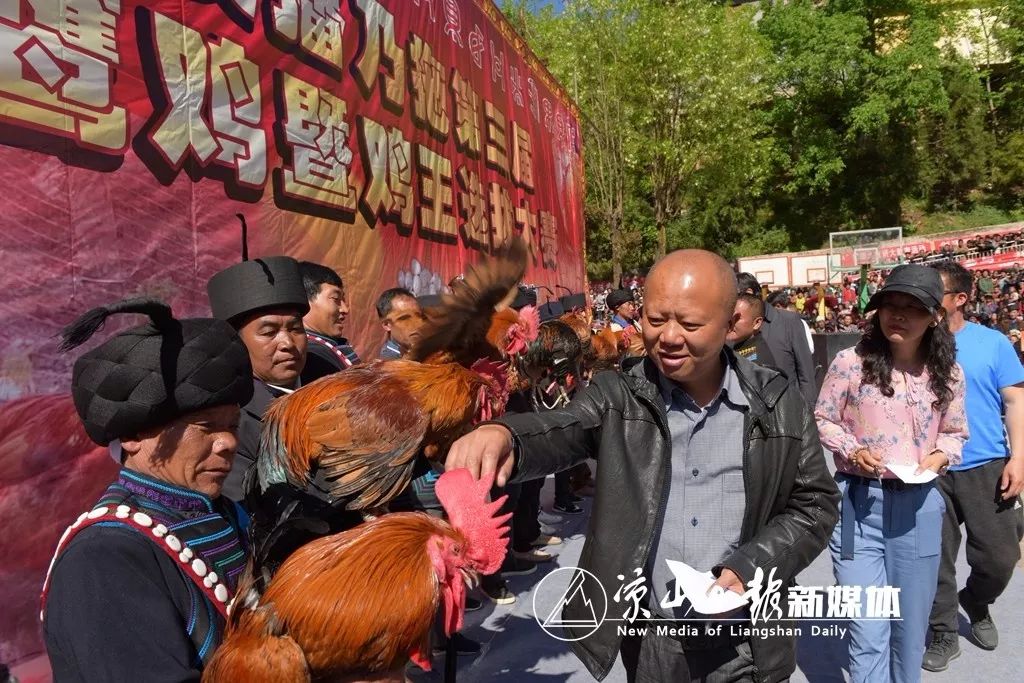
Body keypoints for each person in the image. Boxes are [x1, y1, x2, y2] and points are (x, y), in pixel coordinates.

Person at [447, 250, 839, 683]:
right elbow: (564, 426)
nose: (668, 337)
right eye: (655, 320)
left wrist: (752, 567)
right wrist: (508, 436)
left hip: (746, 638)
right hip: (654, 636)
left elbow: (815, 505)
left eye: (689, 324)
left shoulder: (777, 403)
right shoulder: (617, 396)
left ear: (731, 324)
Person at [43, 298, 253, 681]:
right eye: (207, 427)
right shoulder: (104, 558)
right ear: (134, 436)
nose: (227, 442)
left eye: (233, 425)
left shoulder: (224, 513)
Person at [815, 264, 968, 683]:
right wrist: (852, 449)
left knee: (909, 628)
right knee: (867, 627)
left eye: (912, 307)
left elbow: (956, 434)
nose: (897, 315)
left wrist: (937, 459)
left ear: (934, 315)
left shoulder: (948, 374)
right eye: (890, 305)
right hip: (856, 510)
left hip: (919, 510)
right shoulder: (850, 362)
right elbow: (824, 418)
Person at [921, 261, 1024, 671]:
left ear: (960, 299)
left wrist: (1018, 457)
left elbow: (1015, 401)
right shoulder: (912, 341)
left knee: (999, 557)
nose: (923, 300)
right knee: (934, 557)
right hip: (930, 469)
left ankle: (977, 602)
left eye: (934, 293)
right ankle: (944, 631)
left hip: (987, 465)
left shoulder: (993, 343)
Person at [207, 255, 309, 502]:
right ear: (238, 343)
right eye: (269, 332)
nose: (287, 343)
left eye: (295, 329)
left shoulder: (330, 389)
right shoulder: (232, 420)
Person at [737, 273, 818, 405]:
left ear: (748, 293)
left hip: (788, 410)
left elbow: (806, 374)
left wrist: (808, 412)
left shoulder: (789, 322)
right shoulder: (731, 328)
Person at [298, 260, 360, 382]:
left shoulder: (329, 347)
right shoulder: (312, 356)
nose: (345, 309)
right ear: (304, 301)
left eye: (344, 300)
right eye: (336, 299)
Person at [727, 293, 777, 368]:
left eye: (737, 318)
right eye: (728, 315)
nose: (730, 321)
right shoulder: (734, 347)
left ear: (757, 323)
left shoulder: (756, 365)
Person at [375, 287, 425, 359]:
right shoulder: (390, 365)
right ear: (386, 325)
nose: (417, 323)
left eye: (419, 316)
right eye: (405, 318)